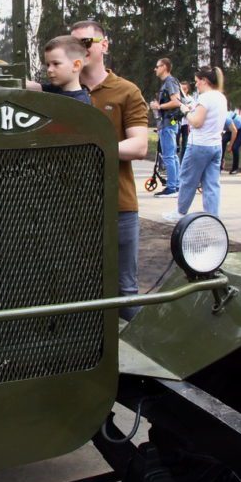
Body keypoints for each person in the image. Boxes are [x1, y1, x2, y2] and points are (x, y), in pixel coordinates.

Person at [71, 19, 148, 320]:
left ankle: (140, 360)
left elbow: (139, 146)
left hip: (118, 206)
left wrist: (93, 149)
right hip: (70, 208)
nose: (82, 49)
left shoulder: (126, 91)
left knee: (125, 292)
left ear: (104, 45)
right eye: (75, 44)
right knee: (73, 290)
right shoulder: (59, 91)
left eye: (88, 42)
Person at [163, 66, 228, 221]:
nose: (196, 84)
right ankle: (212, 217)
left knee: (187, 179)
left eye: (197, 81)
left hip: (199, 145)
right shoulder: (221, 97)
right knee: (211, 184)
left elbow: (197, 122)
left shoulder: (205, 98)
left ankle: (180, 212)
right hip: (216, 146)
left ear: (204, 81)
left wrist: (186, 111)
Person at [149, 58, 181, 198]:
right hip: (168, 123)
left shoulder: (170, 82)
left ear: (165, 67)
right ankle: (176, 184)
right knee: (172, 155)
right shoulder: (168, 83)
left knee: (168, 155)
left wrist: (159, 106)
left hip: (168, 123)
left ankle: (172, 187)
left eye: (157, 66)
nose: (155, 69)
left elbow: (176, 102)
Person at [29, 35, 92, 104]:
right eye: (48, 65)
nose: (49, 70)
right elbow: (32, 86)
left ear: (76, 66)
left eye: (56, 64)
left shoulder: (81, 103)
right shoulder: (53, 89)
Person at [176, 81, 195, 159]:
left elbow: (192, 110)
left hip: (186, 124)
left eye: (185, 89)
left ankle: (182, 161)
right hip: (176, 121)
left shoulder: (190, 99)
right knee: (175, 141)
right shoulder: (176, 97)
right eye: (181, 89)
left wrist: (187, 108)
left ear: (188, 89)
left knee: (185, 143)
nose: (183, 91)